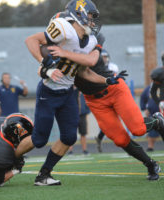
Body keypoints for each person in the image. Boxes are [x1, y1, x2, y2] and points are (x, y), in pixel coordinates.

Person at [15, 0, 124, 186]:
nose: (92, 21)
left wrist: (106, 80)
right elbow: (31, 40)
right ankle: (10, 159)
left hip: (68, 93)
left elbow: (84, 71)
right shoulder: (64, 29)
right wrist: (44, 63)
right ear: (78, 14)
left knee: (69, 137)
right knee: (39, 139)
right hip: (49, 91)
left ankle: (44, 174)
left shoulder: (90, 41)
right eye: (90, 16)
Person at [72, 32, 164, 180]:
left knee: (138, 129)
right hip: (94, 101)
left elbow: (91, 62)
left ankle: (157, 121)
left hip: (113, 89)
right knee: (120, 140)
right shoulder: (59, 53)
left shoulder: (90, 38)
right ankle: (150, 164)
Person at [94, 49, 119, 153]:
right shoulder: (95, 67)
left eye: (105, 57)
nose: (104, 59)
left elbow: (117, 81)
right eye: (102, 57)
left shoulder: (113, 67)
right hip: (102, 96)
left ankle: (100, 138)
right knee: (107, 121)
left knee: (115, 120)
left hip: (114, 94)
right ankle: (101, 138)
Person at [68, 88, 91, 155]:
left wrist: (86, 111)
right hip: (72, 115)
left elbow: (88, 102)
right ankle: (70, 151)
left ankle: (84, 150)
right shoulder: (71, 92)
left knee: (83, 133)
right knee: (71, 134)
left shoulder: (84, 93)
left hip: (82, 115)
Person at [140, 85, 162, 152]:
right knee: (152, 129)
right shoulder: (149, 88)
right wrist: (144, 108)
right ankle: (150, 147)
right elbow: (142, 98)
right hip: (152, 113)